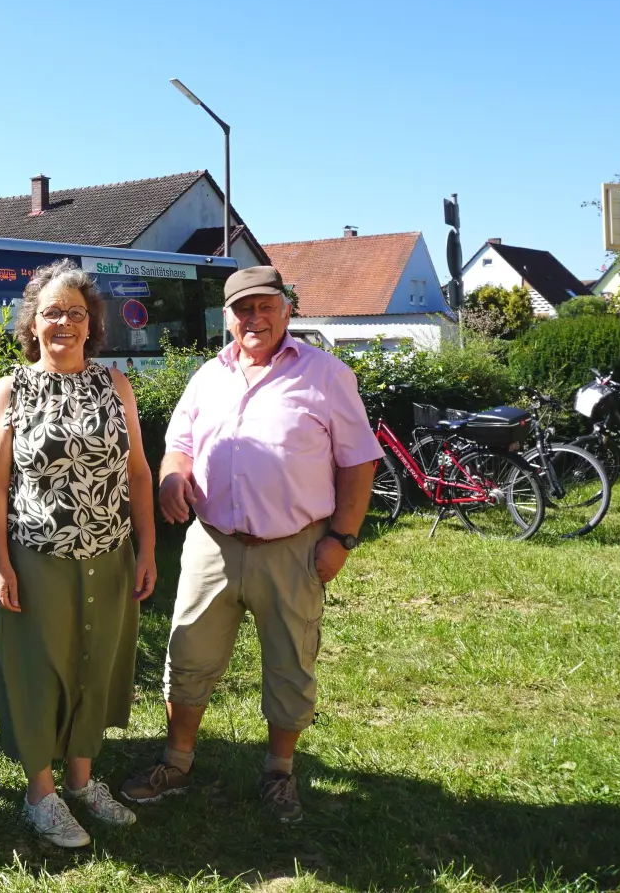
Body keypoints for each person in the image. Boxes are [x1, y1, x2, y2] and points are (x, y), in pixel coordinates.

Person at [119, 265, 381, 823]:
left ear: (286, 308)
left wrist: (342, 538)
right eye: (242, 309)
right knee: (187, 658)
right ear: (228, 318)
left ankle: (279, 773)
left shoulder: (327, 376)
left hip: (294, 547)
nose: (254, 318)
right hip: (212, 543)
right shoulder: (206, 377)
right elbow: (180, 445)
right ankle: (176, 763)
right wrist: (172, 477)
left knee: (290, 664)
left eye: (265, 305)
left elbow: (359, 463)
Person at [0, 260, 158, 848]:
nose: (64, 323)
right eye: (52, 312)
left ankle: (81, 781)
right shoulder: (13, 387)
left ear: (91, 323)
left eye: (75, 313)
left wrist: (148, 546)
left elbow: (137, 472)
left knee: (95, 665)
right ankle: (41, 794)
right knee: (38, 672)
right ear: (32, 321)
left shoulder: (115, 385)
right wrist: (2, 563)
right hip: (37, 557)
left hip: (109, 555)